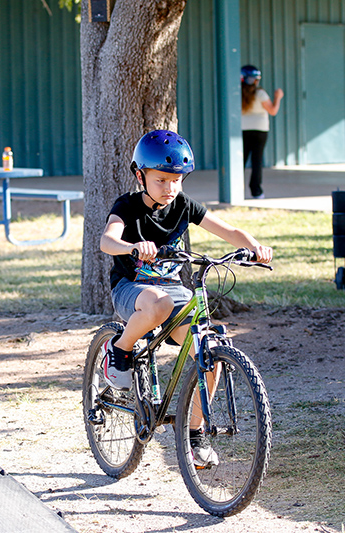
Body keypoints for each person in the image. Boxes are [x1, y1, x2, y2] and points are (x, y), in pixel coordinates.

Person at [99, 129, 273, 466]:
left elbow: (229, 231)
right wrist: (132, 247)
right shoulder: (128, 206)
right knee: (159, 304)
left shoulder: (183, 205)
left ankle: (194, 436)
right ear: (141, 175)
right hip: (131, 289)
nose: (170, 188)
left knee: (208, 352)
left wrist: (253, 247)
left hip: (173, 291)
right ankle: (118, 351)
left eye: (176, 180)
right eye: (161, 180)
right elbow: (107, 241)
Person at [241, 65, 283, 199]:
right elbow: (273, 111)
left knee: (240, 160)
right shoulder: (260, 93)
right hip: (260, 130)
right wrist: (278, 97)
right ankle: (256, 191)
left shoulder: (237, 92)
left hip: (243, 129)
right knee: (257, 160)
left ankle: (236, 189)